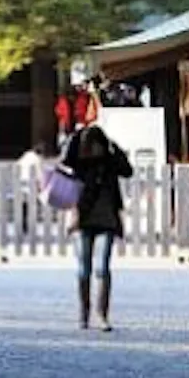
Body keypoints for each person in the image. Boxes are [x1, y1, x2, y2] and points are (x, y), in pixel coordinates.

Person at [64, 124, 133, 331]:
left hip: (107, 220)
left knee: (102, 267)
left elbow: (127, 170)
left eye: (97, 145)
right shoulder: (78, 164)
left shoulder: (110, 162)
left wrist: (114, 147)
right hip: (82, 220)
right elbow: (66, 160)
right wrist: (76, 137)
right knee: (84, 269)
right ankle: (84, 312)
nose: (94, 149)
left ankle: (102, 313)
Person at [17, 142, 46, 236]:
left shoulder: (25, 156)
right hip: (31, 183)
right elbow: (39, 173)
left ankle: (23, 225)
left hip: (21, 181)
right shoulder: (37, 159)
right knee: (31, 206)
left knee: (24, 206)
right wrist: (40, 186)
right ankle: (29, 225)